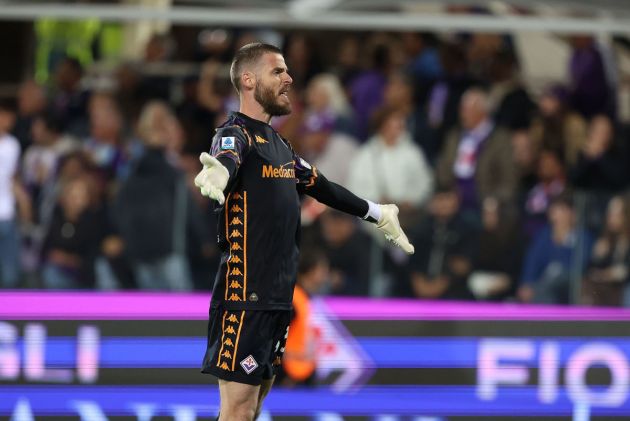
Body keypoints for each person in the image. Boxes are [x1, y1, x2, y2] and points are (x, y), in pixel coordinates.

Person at [193, 43, 414, 421]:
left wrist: (378, 213)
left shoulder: (279, 146)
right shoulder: (236, 133)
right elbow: (226, 155)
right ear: (248, 80)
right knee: (237, 411)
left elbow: (322, 186)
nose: (288, 78)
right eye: (277, 71)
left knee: (254, 407)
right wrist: (220, 171)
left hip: (278, 300)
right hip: (246, 295)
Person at [0, 99, 21, 288]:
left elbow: (13, 177)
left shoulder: (13, 144)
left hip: (6, 213)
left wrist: (23, 201)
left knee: (9, 274)